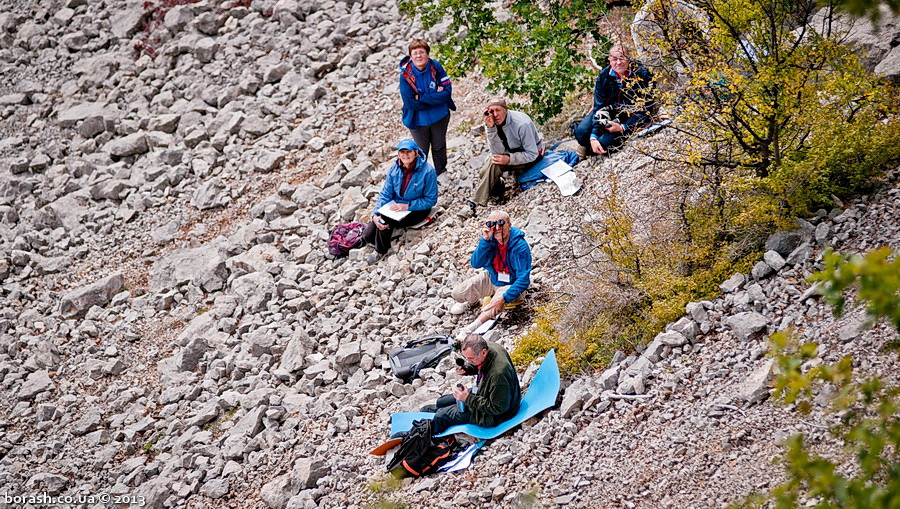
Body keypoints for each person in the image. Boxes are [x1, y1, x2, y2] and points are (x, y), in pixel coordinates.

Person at [457, 97, 543, 218]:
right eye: (491, 111)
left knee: (493, 165)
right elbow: (497, 152)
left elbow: (532, 154)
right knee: (483, 172)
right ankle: (498, 193)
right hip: (511, 155)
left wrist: (509, 159)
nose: (495, 115)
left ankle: (472, 204)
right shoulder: (492, 123)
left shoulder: (522, 124)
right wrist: (491, 129)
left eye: (498, 110)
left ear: (506, 110)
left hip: (531, 158)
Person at [449, 210, 531, 329]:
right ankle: (473, 301)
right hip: (494, 277)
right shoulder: (490, 241)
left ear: (509, 225)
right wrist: (485, 240)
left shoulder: (520, 246)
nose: (497, 228)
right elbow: (476, 263)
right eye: (493, 224)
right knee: (457, 293)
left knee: (494, 304)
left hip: (511, 284)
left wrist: (504, 298)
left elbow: (523, 280)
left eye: (501, 223)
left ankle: (472, 327)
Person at [426, 334, 521, 435]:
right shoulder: (488, 347)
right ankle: (440, 408)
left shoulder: (498, 374)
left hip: (498, 414)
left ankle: (429, 434)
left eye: (471, 359)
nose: (468, 361)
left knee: (442, 416)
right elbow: (480, 365)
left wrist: (468, 398)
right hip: (485, 393)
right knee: (442, 401)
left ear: (483, 352)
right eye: (466, 358)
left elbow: (498, 408)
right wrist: (467, 369)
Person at [363, 139, 438, 264]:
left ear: (416, 153)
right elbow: (386, 194)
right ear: (398, 154)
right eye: (402, 152)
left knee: (385, 219)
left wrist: (408, 206)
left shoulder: (428, 171)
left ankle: (381, 251)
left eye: (408, 152)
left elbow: (431, 199)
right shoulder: (394, 168)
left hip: (417, 209)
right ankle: (385, 228)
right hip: (397, 206)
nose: (405, 155)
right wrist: (375, 214)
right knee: (368, 235)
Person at [572, 44, 654, 157]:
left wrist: (622, 127)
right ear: (609, 60)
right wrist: (593, 136)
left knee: (605, 143)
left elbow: (646, 110)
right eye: (614, 59)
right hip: (608, 110)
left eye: (622, 58)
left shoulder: (642, 74)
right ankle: (587, 146)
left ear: (629, 59)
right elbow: (599, 106)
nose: (618, 62)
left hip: (629, 115)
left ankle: (596, 147)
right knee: (582, 132)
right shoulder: (604, 76)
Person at [398, 39, 456, 176]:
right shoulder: (405, 75)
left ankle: (441, 173)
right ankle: (420, 177)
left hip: (440, 116)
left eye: (422, 52)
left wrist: (422, 97)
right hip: (418, 121)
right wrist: (436, 95)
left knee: (439, 146)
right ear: (411, 57)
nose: (419, 56)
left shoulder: (436, 67)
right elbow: (410, 102)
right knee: (421, 150)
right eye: (415, 53)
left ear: (428, 54)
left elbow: (447, 92)